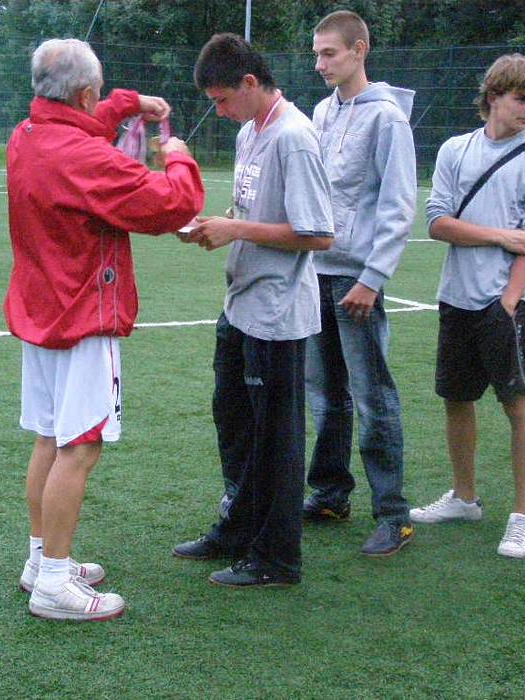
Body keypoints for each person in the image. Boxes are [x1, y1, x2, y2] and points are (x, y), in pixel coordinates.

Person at [4, 38, 204, 620]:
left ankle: (42, 561)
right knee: (81, 446)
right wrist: (177, 153)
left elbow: (82, 121)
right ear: (86, 94)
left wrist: (128, 103)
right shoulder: (84, 156)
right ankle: (54, 584)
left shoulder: (26, 135)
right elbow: (174, 204)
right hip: (83, 315)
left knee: (50, 438)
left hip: (42, 311)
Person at [172, 33, 334, 587]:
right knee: (234, 423)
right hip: (241, 303)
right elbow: (251, 211)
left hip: (278, 314)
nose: (219, 112)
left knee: (276, 439)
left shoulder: (294, 137)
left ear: (249, 82)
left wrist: (236, 229)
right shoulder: (250, 132)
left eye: (222, 100)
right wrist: (215, 226)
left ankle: (277, 557)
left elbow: (319, 234)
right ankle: (237, 529)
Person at [412, 54, 525, 559]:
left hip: (509, 305)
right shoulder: (456, 149)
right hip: (456, 298)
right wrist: (502, 235)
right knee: (456, 397)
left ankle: (523, 518)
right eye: (522, 98)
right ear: (494, 96)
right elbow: (437, 222)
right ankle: (464, 498)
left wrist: (509, 302)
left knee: (517, 403)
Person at [303, 10, 417, 557]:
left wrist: (373, 279)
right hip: (313, 273)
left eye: (329, 53)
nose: (320, 64)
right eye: (317, 54)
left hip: (355, 280)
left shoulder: (388, 119)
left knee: (373, 397)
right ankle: (331, 494)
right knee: (325, 396)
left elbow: (398, 206)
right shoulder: (321, 112)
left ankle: (394, 514)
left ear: (359, 50)